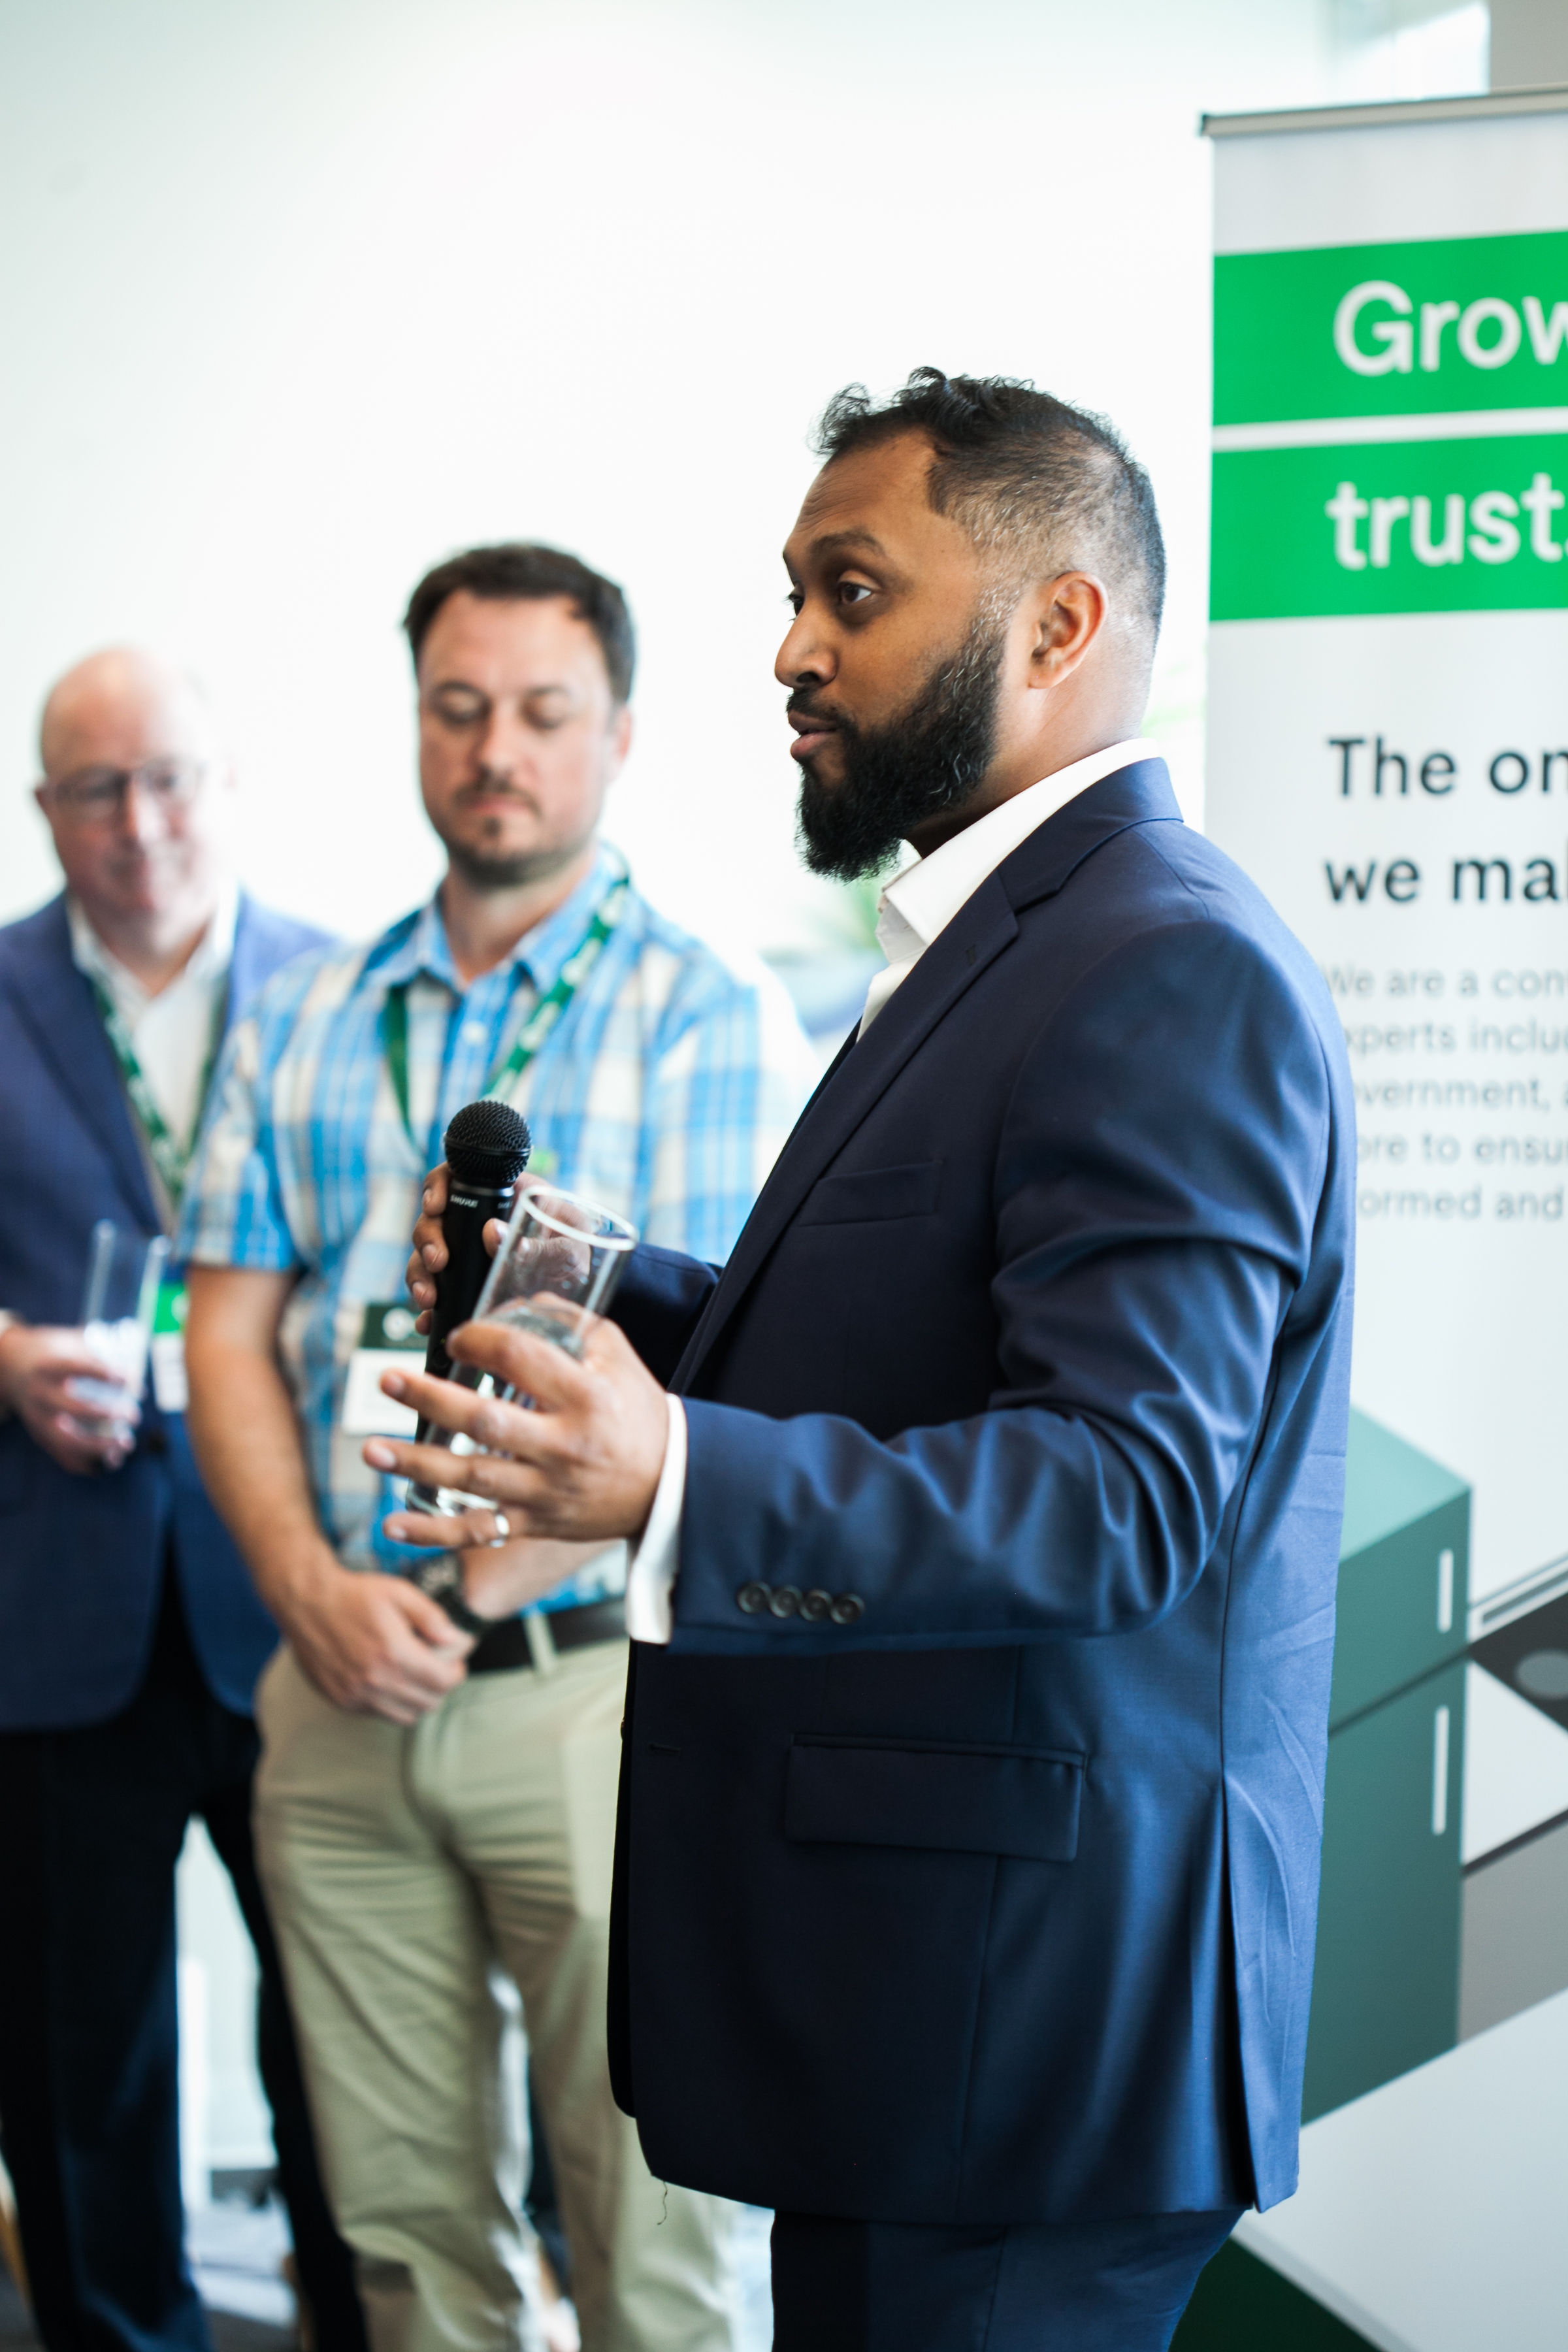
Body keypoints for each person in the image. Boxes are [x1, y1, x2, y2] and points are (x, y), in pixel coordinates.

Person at [381, 375, 1358, 2352]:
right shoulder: (1010, 934)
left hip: (1024, 2038)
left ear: (1060, 629)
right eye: (794, 593)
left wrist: (672, 1479)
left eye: (853, 593)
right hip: (933, 2023)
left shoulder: (1163, 961)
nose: (792, 652)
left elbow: (1124, 1487)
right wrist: (620, 1295)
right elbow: (938, 1342)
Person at [180, 544, 819, 2352]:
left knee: (661, 2244)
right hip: (338, 1685)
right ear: (417, 725)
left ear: (616, 734)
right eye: (459, 710)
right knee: (404, 2243)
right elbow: (230, 1326)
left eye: (542, 713)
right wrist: (311, 1588)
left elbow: (744, 1373)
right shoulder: (307, 1010)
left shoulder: (711, 1015)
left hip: (599, 1697)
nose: (496, 753)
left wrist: (506, 1563)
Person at [0, 649, 365, 2352]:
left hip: (296, 1599)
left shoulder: (351, 994)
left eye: (168, 781)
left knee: (353, 2044)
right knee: (85, 2070)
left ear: (223, 787)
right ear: (45, 811)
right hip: (57, 1621)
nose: (138, 827)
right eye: (93, 789)